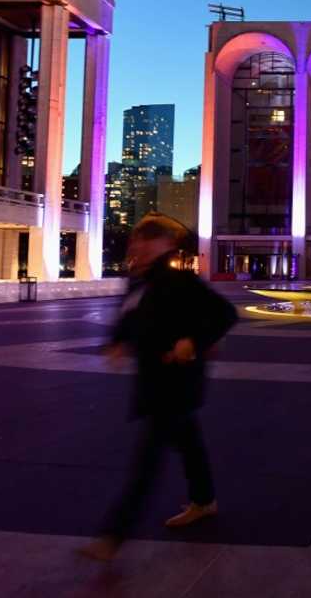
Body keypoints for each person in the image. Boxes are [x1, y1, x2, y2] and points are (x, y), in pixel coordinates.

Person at [78, 212, 237, 562]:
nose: (140, 247)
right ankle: (204, 500)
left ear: (166, 245)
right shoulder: (137, 282)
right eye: (138, 240)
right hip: (152, 381)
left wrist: (193, 341)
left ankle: (113, 535)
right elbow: (127, 317)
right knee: (189, 441)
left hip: (175, 382)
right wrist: (117, 342)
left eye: (149, 241)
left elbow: (225, 314)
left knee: (147, 460)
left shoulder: (180, 281)